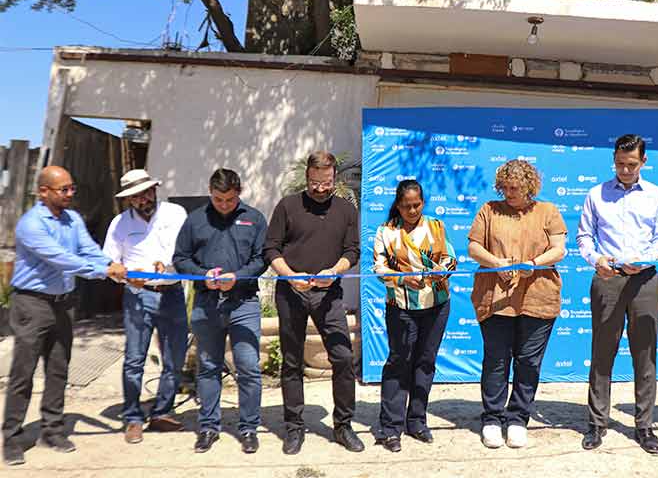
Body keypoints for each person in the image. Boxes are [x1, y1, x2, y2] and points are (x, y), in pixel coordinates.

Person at [2, 166, 126, 466]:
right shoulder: (31, 225)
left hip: (63, 303)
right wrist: (104, 271)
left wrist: (112, 265)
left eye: (72, 188)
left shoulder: (72, 220)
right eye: (63, 189)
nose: (70, 194)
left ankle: (52, 430)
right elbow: (61, 258)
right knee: (23, 371)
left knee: (58, 368)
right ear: (43, 191)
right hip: (32, 303)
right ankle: (11, 436)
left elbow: (87, 250)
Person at [576, 134, 658, 455]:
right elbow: (584, 237)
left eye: (631, 164)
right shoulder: (596, 194)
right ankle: (596, 423)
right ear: (613, 160)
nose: (625, 170)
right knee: (603, 353)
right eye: (620, 164)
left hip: (645, 281)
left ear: (644, 162)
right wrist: (596, 259)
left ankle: (644, 426)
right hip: (608, 279)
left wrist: (645, 261)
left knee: (645, 355)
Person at [264, 151, 364, 454]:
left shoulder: (346, 210)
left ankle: (343, 426)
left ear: (334, 177)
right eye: (314, 183)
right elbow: (270, 249)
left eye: (326, 183)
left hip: (329, 294)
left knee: (343, 358)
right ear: (307, 177)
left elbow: (353, 251)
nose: (320, 189)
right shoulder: (287, 206)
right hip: (291, 292)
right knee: (292, 362)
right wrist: (290, 275)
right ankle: (294, 427)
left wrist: (334, 272)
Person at [467, 159, 567, 449]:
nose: (509, 193)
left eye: (516, 188)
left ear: (529, 186)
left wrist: (533, 264)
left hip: (538, 296)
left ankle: (518, 418)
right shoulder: (489, 210)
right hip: (496, 297)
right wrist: (496, 263)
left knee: (528, 362)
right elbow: (473, 246)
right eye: (506, 187)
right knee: (496, 360)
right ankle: (492, 418)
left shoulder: (547, 211)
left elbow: (559, 249)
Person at [173, 169, 267, 454]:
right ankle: (208, 427)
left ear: (239, 192)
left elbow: (262, 258)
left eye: (229, 199)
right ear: (210, 192)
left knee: (248, 367)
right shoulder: (195, 220)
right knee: (208, 367)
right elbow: (180, 258)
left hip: (244, 303)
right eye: (218, 199)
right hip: (207, 304)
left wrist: (239, 276)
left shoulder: (255, 218)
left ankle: (249, 428)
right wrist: (203, 275)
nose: (223, 204)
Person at [103, 169, 189, 445]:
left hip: (173, 292)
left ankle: (162, 412)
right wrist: (128, 275)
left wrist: (170, 265)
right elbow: (109, 265)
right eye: (138, 195)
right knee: (134, 359)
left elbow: (187, 252)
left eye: (148, 191)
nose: (145, 198)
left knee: (175, 358)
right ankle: (133, 418)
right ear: (129, 199)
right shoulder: (119, 224)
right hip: (138, 295)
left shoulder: (176, 213)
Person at [373, 180, 457, 452]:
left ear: (423, 202)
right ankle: (390, 428)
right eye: (407, 205)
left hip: (436, 305)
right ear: (398, 205)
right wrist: (400, 279)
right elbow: (378, 267)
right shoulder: (386, 231)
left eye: (417, 205)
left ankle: (417, 421)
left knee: (425, 362)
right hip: (401, 307)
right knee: (400, 362)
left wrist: (440, 272)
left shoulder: (436, 226)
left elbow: (451, 259)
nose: (412, 210)